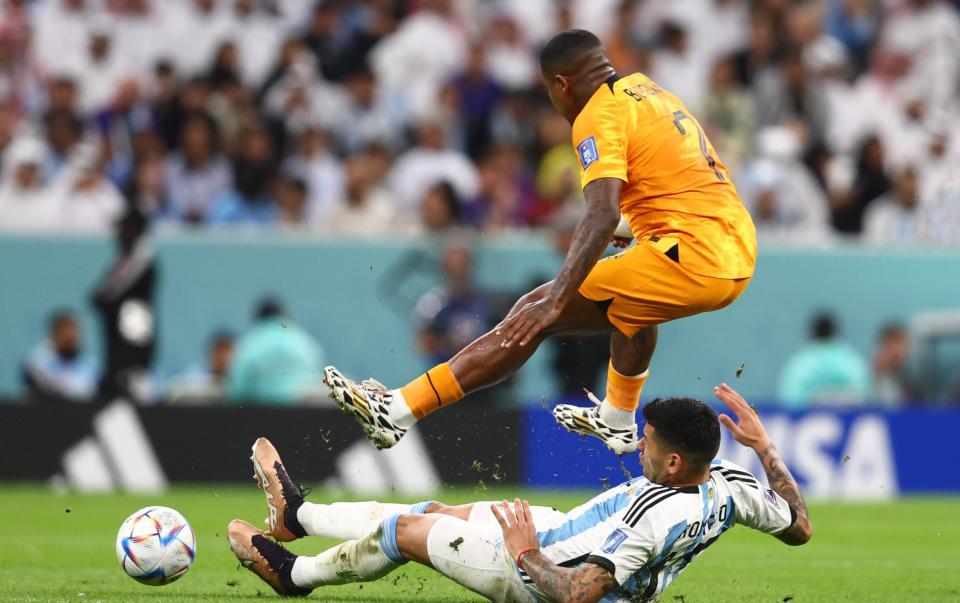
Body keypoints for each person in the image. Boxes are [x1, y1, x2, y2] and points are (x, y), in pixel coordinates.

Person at [324, 29, 757, 454]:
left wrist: (557, 298)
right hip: (734, 247)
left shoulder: (596, 116)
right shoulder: (650, 91)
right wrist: (633, 229)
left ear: (561, 85)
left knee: (534, 311)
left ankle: (397, 410)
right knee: (632, 303)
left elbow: (601, 212)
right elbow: (677, 185)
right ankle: (619, 419)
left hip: (693, 255)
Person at [228, 384, 811, 602]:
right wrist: (765, 449)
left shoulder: (649, 519)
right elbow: (798, 527)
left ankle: (294, 576)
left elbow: (581, 596)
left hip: (541, 570)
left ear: (677, 461)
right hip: (561, 531)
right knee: (433, 510)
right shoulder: (733, 485)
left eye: (649, 445)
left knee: (405, 533)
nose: (640, 449)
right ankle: (298, 515)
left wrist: (525, 550)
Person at [90, 208, 157, 401]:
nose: (119, 232)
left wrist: (102, 300)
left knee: (131, 376)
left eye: (124, 227)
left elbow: (111, 293)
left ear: (135, 230)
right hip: (120, 332)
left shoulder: (142, 260)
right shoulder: (123, 258)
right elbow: (102, 292)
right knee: (115, 375)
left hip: (134, 328)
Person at [226, 297, 324, 405]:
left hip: (262, 413)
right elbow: (317, 369)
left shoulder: (252, 341)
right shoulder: (302, 340)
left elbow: (238, 389)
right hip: (304, 412)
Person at [777, 312, 871, 408]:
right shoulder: (850, 359)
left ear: (812, 333)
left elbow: (789, 399)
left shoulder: (801, 363)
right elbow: (864, 394)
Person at [22, 309, 99, 402]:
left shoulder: (90, 364)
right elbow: (51, 387)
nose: (71, 340)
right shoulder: (38, 361)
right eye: (66, 336)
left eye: (74, 337)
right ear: (55, 334)